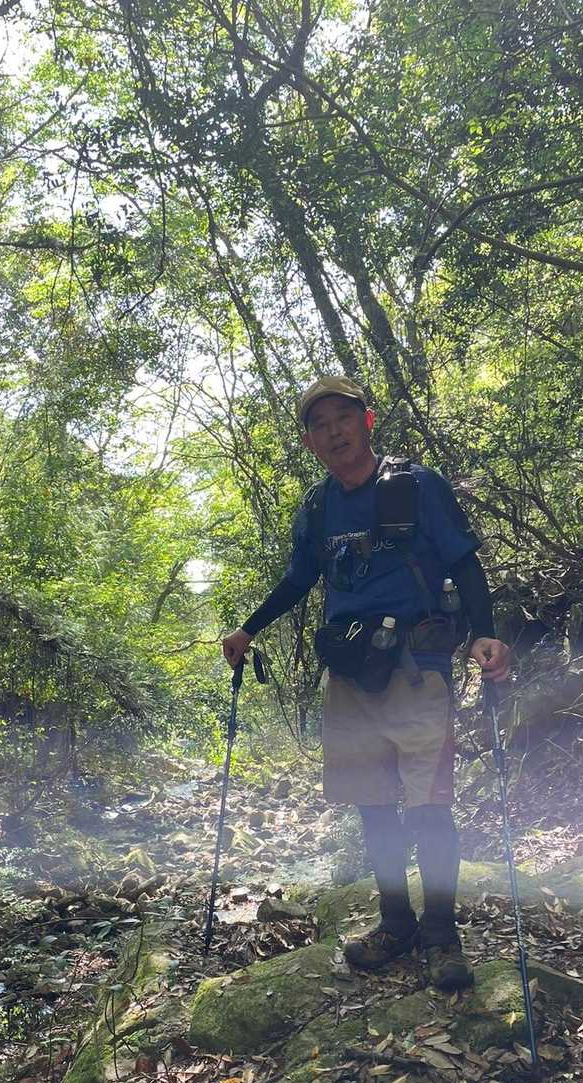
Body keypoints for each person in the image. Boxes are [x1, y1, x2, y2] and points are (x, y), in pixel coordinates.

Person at [222, 376, 510, 991]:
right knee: (374, 806)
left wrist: (485, 633)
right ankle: (396, 924)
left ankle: (442, 936)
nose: (334, 432)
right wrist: (249, 628)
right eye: (319, 425)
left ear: (367, 421)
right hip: (351, 675)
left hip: (417, 666)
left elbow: (463, 561)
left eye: (343, 418)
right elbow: (299, 580)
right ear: (309, 441)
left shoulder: (416, 486)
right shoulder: (317, 508)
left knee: (429, 807)